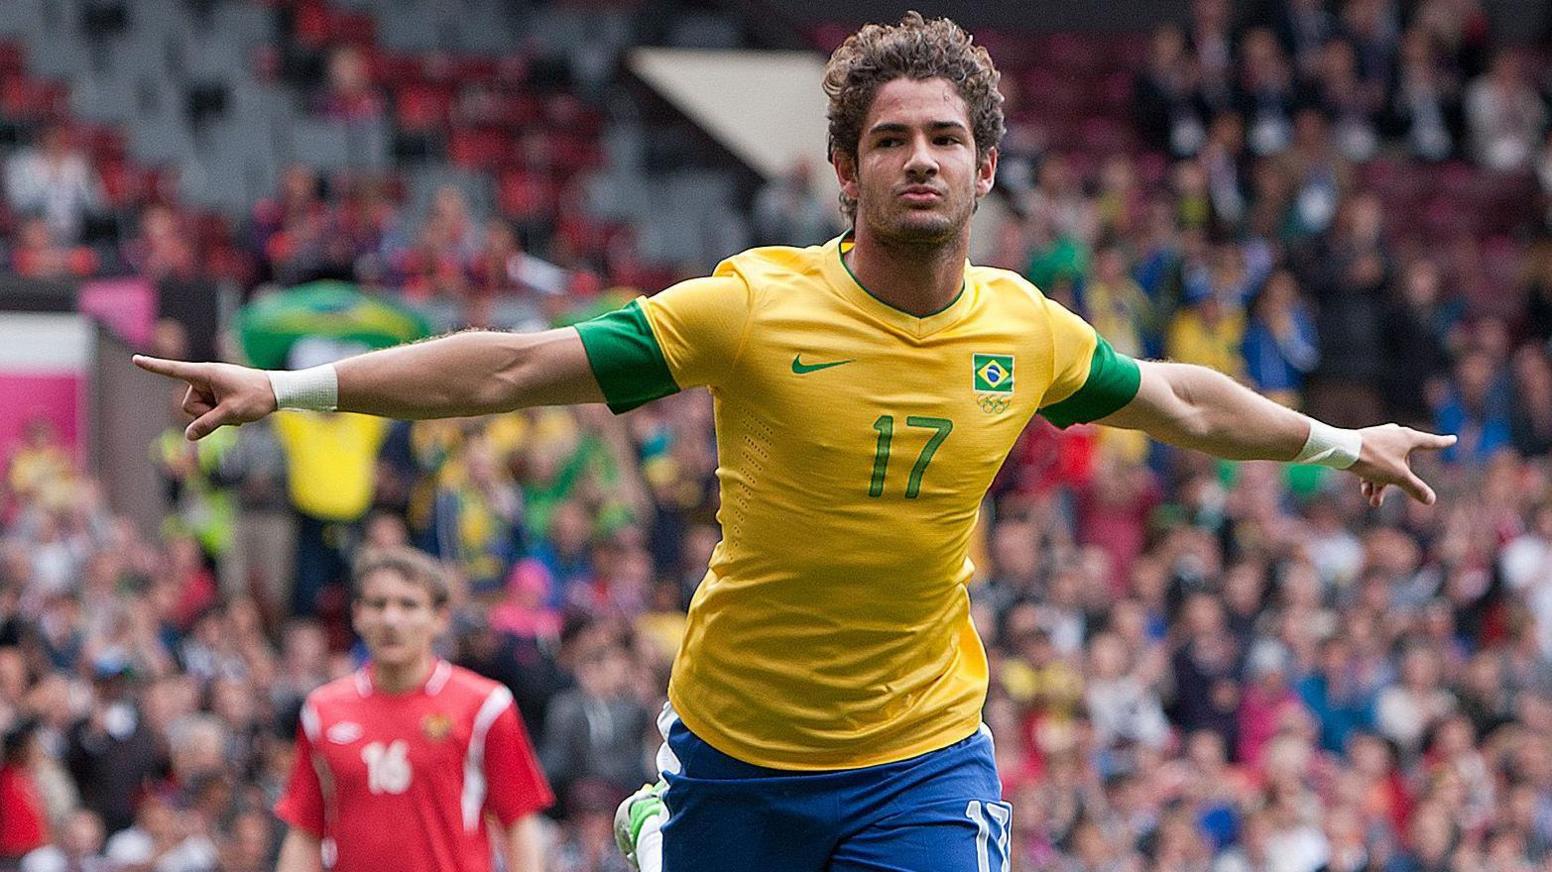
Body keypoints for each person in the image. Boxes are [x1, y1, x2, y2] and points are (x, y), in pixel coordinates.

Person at [135, 13, 1454, 871]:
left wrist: (1339, 444)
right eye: (891, 142)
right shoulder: (752, 307)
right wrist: (291, 391)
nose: (920, 160)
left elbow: (1181, 400)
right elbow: (519, 366)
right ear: (846, 170)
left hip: (923, 756)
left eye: (947, 139)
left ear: (988, 168)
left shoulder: (1027, 330)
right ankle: (658, 826)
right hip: (737, 750)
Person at [270, 546, 552, 872]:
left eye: (408, 605)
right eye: (378, 604)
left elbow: (519, 822)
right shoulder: (322, 711)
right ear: (358, 615)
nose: (391, 619)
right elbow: (305, 831)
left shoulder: (486, 705)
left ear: (440, 618)